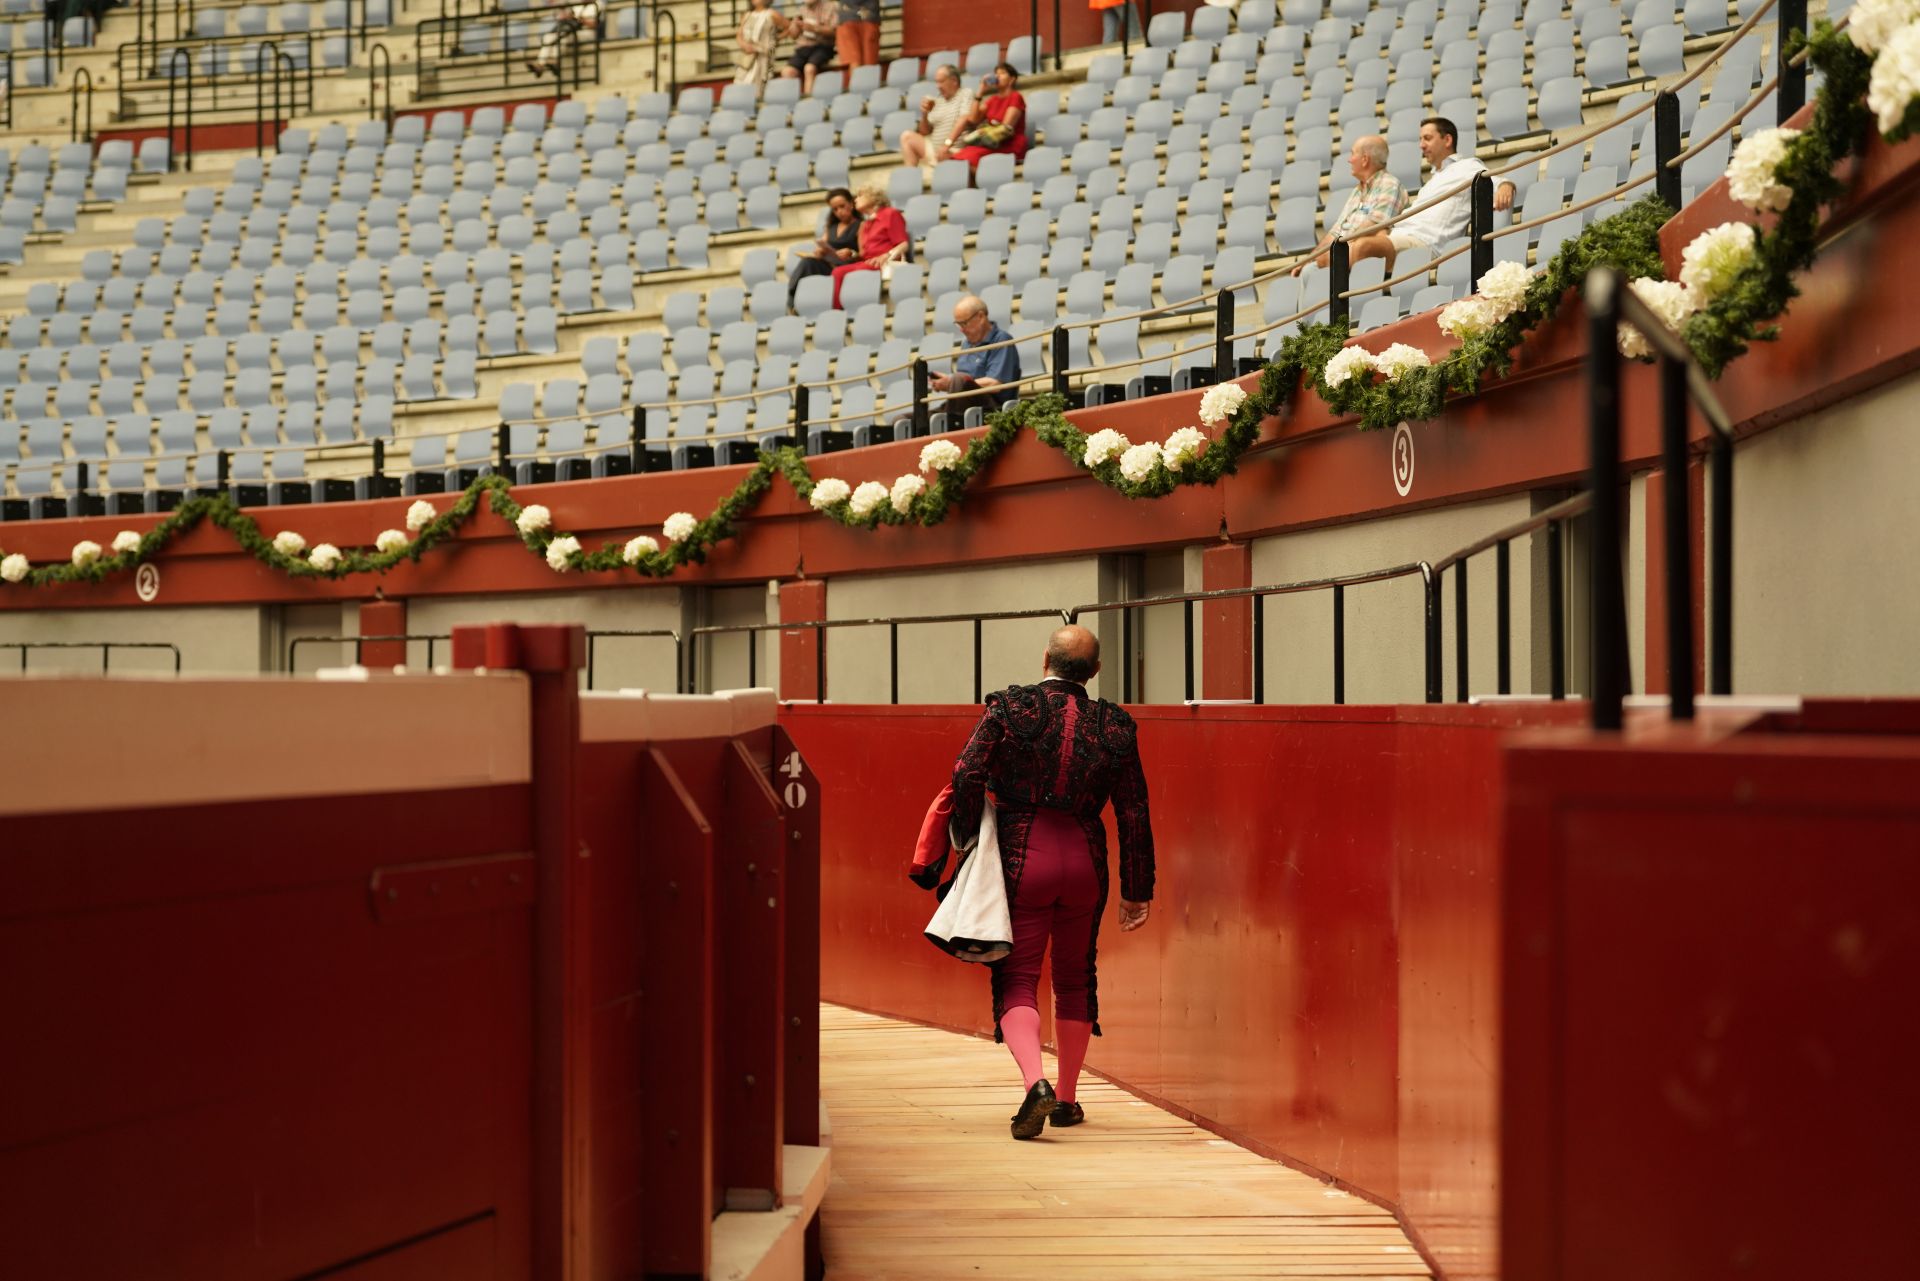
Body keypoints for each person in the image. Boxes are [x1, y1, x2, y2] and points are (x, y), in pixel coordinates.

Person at [944, 624, 1155, 1140]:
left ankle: (1034, 1082)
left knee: (1018, 976)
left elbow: (967, 771)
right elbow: (1132, 810)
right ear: (1096, 671)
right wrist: (1137, 888)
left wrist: (969, 836)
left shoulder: (1011, 708)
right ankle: (1066, 1098)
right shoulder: (1114, 725)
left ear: (1045, 660)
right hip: (1085, 856)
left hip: (1023, 853)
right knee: (1076, 976)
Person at [1342, 116, 1516, 275]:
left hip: (1426, 244)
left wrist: (1506, 187)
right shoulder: (1432, 181)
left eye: (1427, 138)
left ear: (1447, 140)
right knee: (1338, 254)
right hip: (1401, 235)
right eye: (1420, 139)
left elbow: (1498, 181)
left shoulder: (1467, 166)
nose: (1421, 145)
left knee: (1362, 247)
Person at [1291, 135, 1407, 275]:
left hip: (1363, 259)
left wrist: (1337, 248)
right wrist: (1309, 259)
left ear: (1365, 160)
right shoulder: (1357, 192)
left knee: (1321, 270)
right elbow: (1335, 231)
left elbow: (1375, 226)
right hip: (1342, 254)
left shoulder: (1389, 185)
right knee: (1308, 270)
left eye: (1353, 154)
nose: (1349, 160)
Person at [931, 295, 1020, 413]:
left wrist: (954, 382)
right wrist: (949, 383)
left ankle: (951, 422)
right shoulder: (966, 344)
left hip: (992, 408)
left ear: (981, 317)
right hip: (963, 406)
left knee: (958, 379)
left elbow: (994, 383)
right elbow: (962, 384)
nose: (961, 330)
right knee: (904, 420)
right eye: (958, 324)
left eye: (964, 323)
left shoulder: (1001, 339)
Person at [830, 185, 910, 308]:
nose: (855, 200)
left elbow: (903, 244)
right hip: (869, 262)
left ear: (874, 197)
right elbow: (864, 254)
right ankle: (838, 311)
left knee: (843, 272)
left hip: (884, 262)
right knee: (838, 271)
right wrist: (852, 253)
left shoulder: (890, 213)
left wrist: (886, 255)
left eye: (860, 196)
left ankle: (840, 311)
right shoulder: (866, 223)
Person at [787, 187, 863, 310]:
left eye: (842, 206)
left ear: (851, 204)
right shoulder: (831, 227)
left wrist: (852, 253)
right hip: (829, 264)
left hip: (847, 265)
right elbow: (823, 243)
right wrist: (820, 251)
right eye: (835, 209)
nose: (839, 211)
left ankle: (792, 299)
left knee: (809, 264)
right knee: (808, 262)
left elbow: (864, 253)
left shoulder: (861, 225)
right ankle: (793, 298)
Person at [948, 62, 1028, 171]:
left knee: (969, 159)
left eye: (1002, 73)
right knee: (958, 158)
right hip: (991, 142)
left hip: (1008, 143)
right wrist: (980, 91)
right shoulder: (992, 100)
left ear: (1012, 79)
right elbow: (973, 119)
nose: (997, 76)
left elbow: (1006, 128)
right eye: (996, 73)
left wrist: (984, 132)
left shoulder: (1015, 97)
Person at [898, 64, 976, 175]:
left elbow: (964, 119)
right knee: (906, 136)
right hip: (936, 151)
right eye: (936, 82)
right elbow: (924, 131)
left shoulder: (966, 93)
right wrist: (925, 113)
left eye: (941, 81)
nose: (938, 86)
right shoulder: (937, 101)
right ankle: (910, 180)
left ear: (954, 80)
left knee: (946, 155)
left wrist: (946, 145)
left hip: (955, 151)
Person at [527, 0, 601, 79]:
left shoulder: (597, 4)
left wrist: (581, 20)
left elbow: (595, 24)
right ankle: (540, 64)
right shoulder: (576, 4)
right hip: (571, 30)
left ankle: (555, 61)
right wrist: (567, 16)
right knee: (548, 37)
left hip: (586, 32)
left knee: (564, 36)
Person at [780, 0, 838, 95]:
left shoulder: (831, 6)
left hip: (823, 46)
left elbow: (834, 32)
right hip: (803, 48)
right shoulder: (801, 10)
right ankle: (791, 106)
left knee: (809, 68)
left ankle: (809, 103)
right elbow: (793, 36)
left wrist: (814, 28)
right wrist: (796, 27)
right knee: (787, 72)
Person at [733, 0, 784, 86]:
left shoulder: (772, 14)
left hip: (765, 57)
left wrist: (775, 40)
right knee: (741, 84)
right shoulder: (747, 15)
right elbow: (739, 35)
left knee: (763, 84)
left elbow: (789, 28)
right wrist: (744, 45)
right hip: (748, 58)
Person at [835, 0, 880, 70]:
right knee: (869, 62)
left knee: (854, 61)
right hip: (868, 17)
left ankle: (857, 80)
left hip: (848, 18)